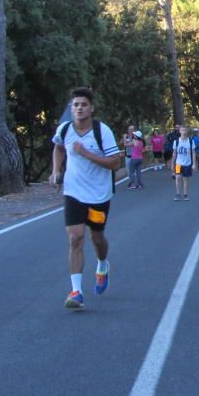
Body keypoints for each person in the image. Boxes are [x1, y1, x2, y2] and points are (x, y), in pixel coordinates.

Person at [50, 87, 121, 310]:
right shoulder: (65, 129)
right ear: (72, 108)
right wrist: (55, 170)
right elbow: (58, 148)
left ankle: (102, 264)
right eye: (75, 105)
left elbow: (115, 163)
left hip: (98, 195)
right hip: (73, 193)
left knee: (97, 238)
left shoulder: (103, 131)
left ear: (91, 108)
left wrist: (86, 154)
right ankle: (76, 292)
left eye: (83, 105)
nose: (79, 108)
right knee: (75, 238)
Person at [172, 125, 195, 200]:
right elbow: (174, 153)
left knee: (185, 179)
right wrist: (173, 164)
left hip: (187, 164)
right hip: (178, 164)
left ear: (187, 131)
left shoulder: (191, 141)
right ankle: (178, 194)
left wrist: (194, 164)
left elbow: (193, 152)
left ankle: (185, 194)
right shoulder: (176, 142)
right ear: (180, 131)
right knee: (178, 177)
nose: (184, 132)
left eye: (185, 130)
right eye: (182, 130)